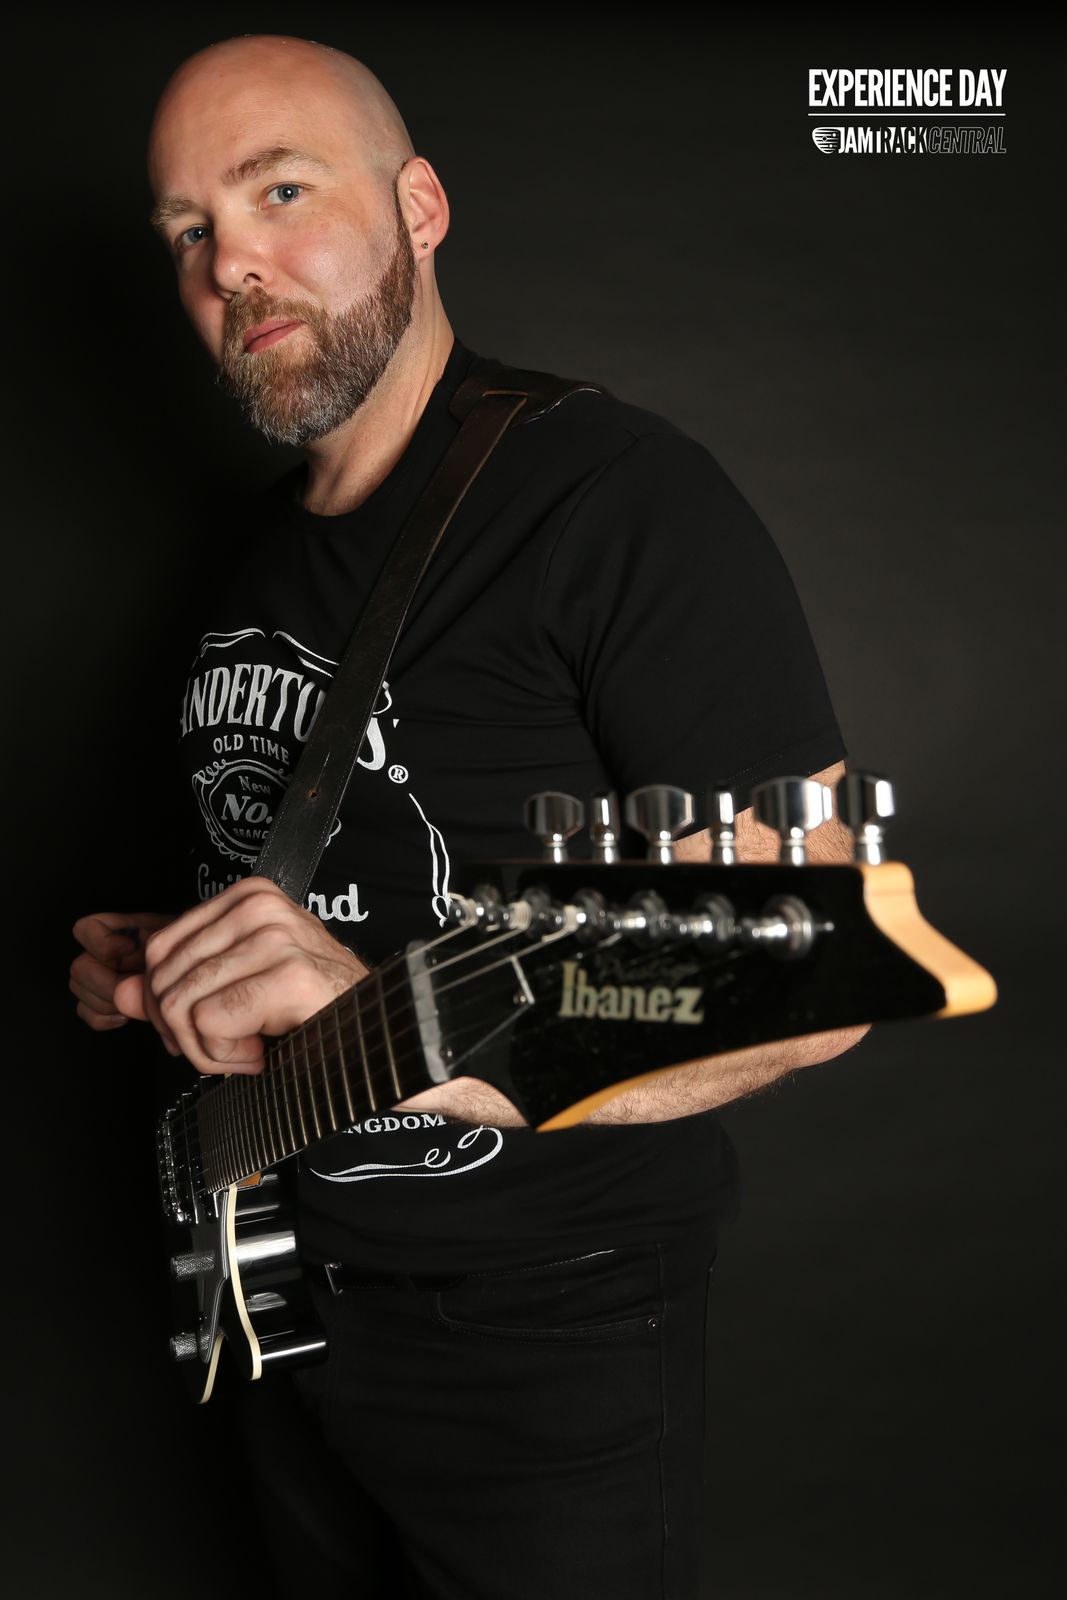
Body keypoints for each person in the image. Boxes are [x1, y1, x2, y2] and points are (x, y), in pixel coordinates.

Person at [70, 34, 867, 1600]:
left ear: (419, 208)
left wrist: (387, 1027)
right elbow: (332, 885)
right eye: (186, 231)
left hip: (541, 1338)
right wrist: (168, 966)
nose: (231, 264)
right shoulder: (252, 559)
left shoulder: (613, 499)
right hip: (276, 1298)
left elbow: (812, 962)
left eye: (279, 192)